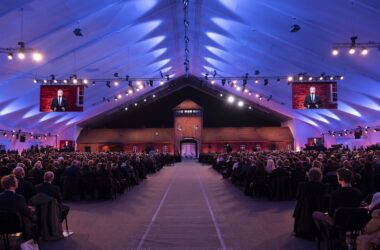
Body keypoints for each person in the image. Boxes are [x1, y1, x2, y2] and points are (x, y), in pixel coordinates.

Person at [312, 168, 362, 246]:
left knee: (315, 214)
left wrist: (326, 214)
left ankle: (328, 240)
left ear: (340, 178)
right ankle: (341, 239)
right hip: (354, 222)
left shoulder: (336, 193)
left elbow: (331, 214)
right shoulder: (358, 192)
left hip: (338, 222)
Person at [0, 174, 36, 240]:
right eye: (16, 181)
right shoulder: (18, 198)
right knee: (34, 216)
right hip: (17, 226)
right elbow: (27, 213)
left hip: (2, 225)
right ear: (13, 184)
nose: (18, 182)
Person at [293, 168, 327, 239]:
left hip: (304, 209)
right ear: (320, 176)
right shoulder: (323, 187)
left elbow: (297, 197)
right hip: (318, 208)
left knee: (299, 204)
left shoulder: (302, 185)